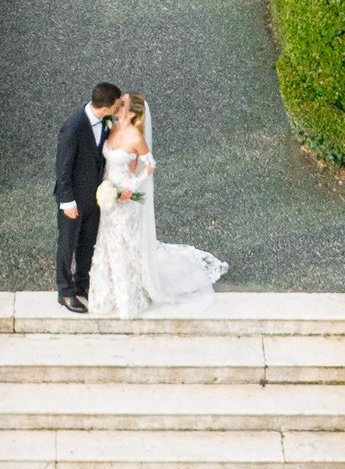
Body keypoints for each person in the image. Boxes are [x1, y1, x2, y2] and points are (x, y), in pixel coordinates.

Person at [89, 92, 227, 317]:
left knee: (125, 244)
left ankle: (128, 296)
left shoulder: (135, 137)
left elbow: (150, 165)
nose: (117, 106)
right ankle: (107, 293)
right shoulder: (111, 127)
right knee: (107, 242)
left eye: (121, 104)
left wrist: (131, 188)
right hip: (108, 195)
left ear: (132, 112)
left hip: (125, 199)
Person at [55, 83, 121, 311]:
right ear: (108, 107)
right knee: (67, 245)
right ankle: (64, 291)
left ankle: (81, 283)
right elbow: (62, 169)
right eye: (117, 105)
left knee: (87, 244)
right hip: (73, 199)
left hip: (95, 197)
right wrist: (67, 202)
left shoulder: (105, 122)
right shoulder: (73, 127)